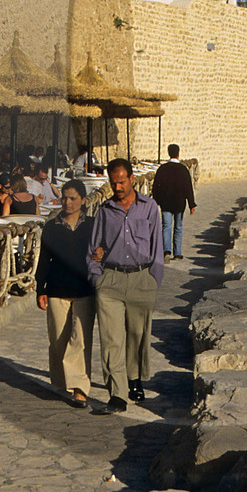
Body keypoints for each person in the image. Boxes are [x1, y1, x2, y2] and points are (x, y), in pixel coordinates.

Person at [86, 158, 163, 415]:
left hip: (142, 279)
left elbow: (157, 248)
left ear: (132, 179)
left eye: (122, 181)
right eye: (113, 182)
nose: (117, 187)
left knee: (137, 335)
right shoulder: (105, 211)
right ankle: (117, 394)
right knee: (111, 339)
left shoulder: (150, 208)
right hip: (111, 281)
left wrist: (153, 281)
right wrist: (97, 278)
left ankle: (134, 378)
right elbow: (93, 248)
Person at [36, 179, 95, 407]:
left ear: (82, 200)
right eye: (64, 198)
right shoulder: (51, 227)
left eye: (73, 198)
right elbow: (44, 260)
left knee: (80, 340)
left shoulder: (92, 225)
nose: (67, 202)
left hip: (85, 289)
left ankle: (80, 388)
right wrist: (40, 289)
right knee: (58, 339)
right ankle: (61, 382)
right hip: (57, 289)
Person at [151, 143, 196, 261]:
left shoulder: (162, 169)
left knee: (166, 226)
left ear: (168, 153)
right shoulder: (183, 170)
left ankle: (166, 251)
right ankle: (177, 253)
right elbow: (188, 188)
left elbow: (156, 186)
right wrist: (191, 204)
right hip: (179, 203)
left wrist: (156, 200)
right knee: (178, 227)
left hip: (165, 203)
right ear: (178, 153)